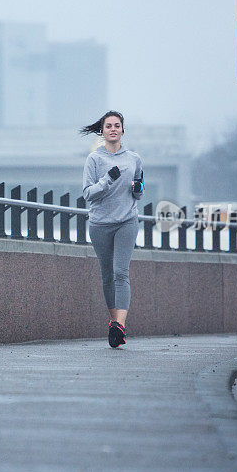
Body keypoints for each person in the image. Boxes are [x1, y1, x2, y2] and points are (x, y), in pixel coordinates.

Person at [80, 110, 144, 348]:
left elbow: (138, 191)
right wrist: (107, 179)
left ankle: (120, 325)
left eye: (117, 125)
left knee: (121, 272)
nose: (113, 129)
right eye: (109, 126)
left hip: (127, 221)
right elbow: (88, 194)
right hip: (100, 224)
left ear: (123, 130)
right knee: (107, 275)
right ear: (103, 131)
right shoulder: (94, 160)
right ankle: (113, 324)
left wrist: (138, 188)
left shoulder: (134, 159)